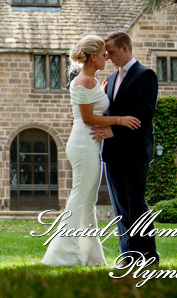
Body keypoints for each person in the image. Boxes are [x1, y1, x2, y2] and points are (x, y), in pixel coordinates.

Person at [42, 35, 140, 267]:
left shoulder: (93, 81)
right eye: (104, 54)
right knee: (80, 198)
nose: (107, 57)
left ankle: (90, 255)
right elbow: (86, 117)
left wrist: (100, 95)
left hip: (88, 144)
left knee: (87, 201)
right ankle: (61, 254)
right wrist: (120, 120)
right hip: (84, 146)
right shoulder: (84, 81)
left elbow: (85, 111)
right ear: (93, 56)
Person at [90, 31, 159, 265]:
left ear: (125, 49)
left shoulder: (145, 75)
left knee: (136, 203)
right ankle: (128, 256)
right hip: (111, 153)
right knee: (120, 206)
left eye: (110, 52)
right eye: (105, 53)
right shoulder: (109, 79)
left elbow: (144, 113)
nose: (107, 56)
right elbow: (108, 113)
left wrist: (114, 131)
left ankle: (148, 256)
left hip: (135, 151)